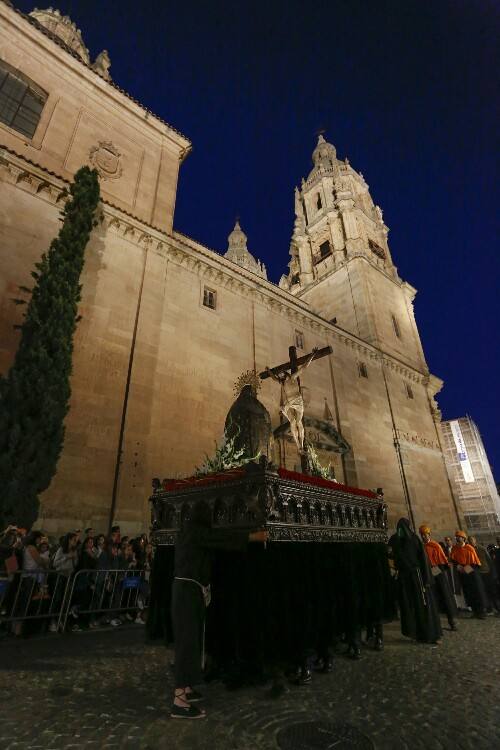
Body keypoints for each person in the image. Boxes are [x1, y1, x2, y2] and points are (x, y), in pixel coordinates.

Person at [171, 501, 268, 719]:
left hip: (188, 591)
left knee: (193, 640)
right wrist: (253, 537)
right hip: (187, 593)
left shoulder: (187, 532)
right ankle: (179, 702)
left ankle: (186, 688)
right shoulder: (197, 533)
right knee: (187, 643)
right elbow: (222, 540)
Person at [388, 518, 442, 644]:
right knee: (413, 605)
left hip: (414, 577)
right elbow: (392, 555)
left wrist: (426, 578)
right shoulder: (401, 539)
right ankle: (418, 634)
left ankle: (426, 634)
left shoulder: (406, 539)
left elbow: (422, 559)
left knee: (419, 605)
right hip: (409, 577)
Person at [265, 348, 318, 452]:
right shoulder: (282, 383)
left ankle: (302, 444)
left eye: (281, 374)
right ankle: (298, 446)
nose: (280, 376)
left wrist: (312, 355)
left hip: (297, 401)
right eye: (279, 375)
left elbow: (304, 367)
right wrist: (269, 371)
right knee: (292, 422)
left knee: (298, 421)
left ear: (285, 373)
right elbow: (274, 378)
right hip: (288, 403)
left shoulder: (293, 378)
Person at [419, 525, 458, 630]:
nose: (423, 537)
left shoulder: (435, 545)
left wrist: (436, 569)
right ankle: (437, 624)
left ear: (429, 535)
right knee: (433, 600)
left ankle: (452, 622)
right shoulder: (421, 547)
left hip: (438, 575)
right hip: (428, 576)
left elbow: (442, 562)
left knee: (445, 597)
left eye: (425, 535)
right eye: (422, 535)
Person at [450, 531, 486, 619]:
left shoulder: (469, 548)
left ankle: (481, 612)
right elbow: (453, 560)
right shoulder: (455, 548)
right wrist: (458, 566)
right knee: (468, 593)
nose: (457, 538)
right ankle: (474, 611)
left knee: (477, 592)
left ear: (463, 538)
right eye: (456, 537)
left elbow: (475, 563)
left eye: (459, 537)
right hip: (463, 575)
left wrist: (465, 569)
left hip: (473, 574)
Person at [468, 536, 499, 614]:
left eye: (472, 540)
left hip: (485, 572)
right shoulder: (468, 551)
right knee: (483, 592)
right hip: (477, 574)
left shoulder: (481, 549)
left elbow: (489, 560)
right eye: (469, 540)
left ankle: (497, 608)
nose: (471, 541)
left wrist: (493, 573)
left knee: (491, 591)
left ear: (475, 540)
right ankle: (489, 608)